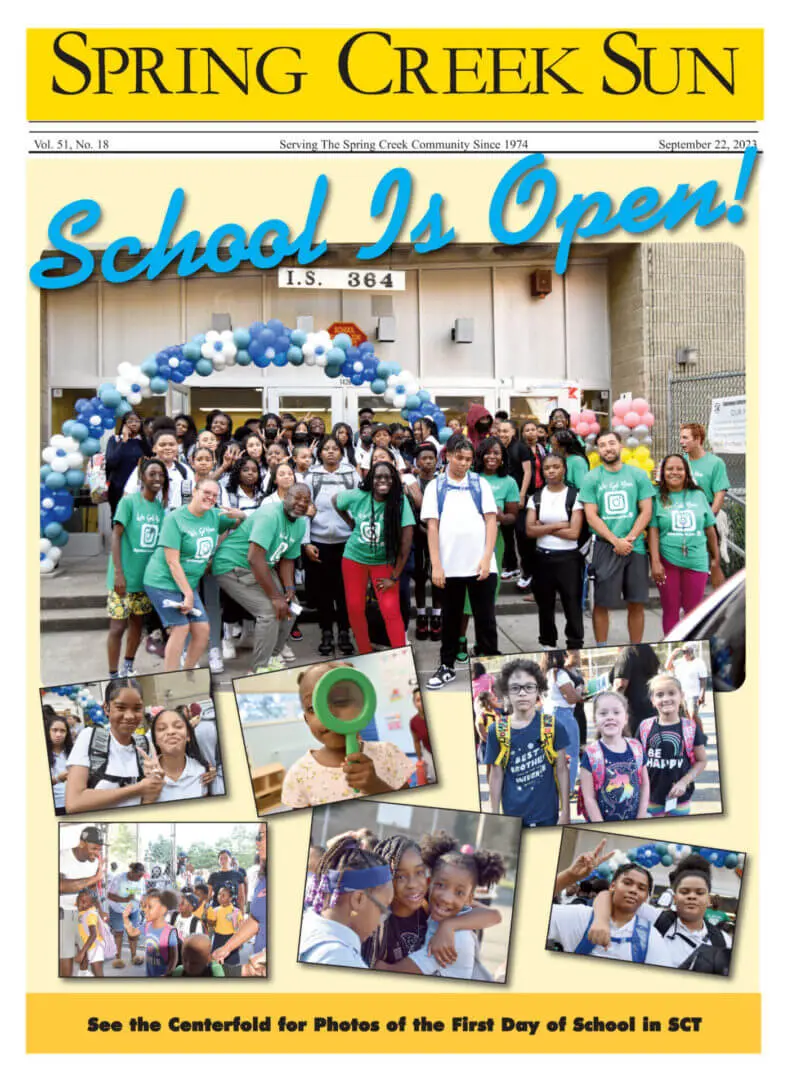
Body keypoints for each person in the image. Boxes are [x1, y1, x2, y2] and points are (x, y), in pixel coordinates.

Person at [422, 435, 499, 689]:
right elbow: (432, 526)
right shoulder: (436, 486)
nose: (464, 463)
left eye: (468, 459)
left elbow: (491, 521)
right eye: (459, 458)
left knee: (485, 619)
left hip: (480, 565)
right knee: (451, 619)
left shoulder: (480, 484)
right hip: (449, 566)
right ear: (448, 456)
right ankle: (447, 666)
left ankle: (488, 670)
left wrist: (487, 558)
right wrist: (437, 565)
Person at [142, 478, 243, 672]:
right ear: (195, 491)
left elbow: (240, 521)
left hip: (186, 583)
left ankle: (188, 674)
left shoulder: (214, 515)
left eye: (215, 495)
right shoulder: (175, 518)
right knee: (181, 628)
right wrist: (188, 594)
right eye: (206, 492)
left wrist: (242, 516)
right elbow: (172, 561)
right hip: (162, 582)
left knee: (203, 630)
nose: (211, 498)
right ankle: (169, 681)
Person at [281, 661, 414, 807]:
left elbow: (410, 810)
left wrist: (376, 787)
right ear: (306, 719)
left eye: (340, 701)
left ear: (363, 707)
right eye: (313, 708)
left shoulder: (388, 753)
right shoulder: (298, 775)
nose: (328, 714)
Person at [374, 832, 504, 980]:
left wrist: (450, 925)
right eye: (401, 876)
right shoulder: (384, 920)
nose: (447, 898)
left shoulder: (449, 929)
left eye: (419, 872)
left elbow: (495, 916)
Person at [210, 484, 310, 673]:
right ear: (285, 497)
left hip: (262, 566)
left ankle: (273, 655)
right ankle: (259, 668)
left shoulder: (300, 523)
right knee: (269, 612)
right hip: (232, 565)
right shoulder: (270, 515)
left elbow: (288, 558)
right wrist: (275, 597)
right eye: (297, 497)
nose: (301, 503)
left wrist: (289, 588)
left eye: (306, 500)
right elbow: (254, 557)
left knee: (293, 607)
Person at [590, 854, 732, 974]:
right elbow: (609, 896)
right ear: (675, 895)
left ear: (709, 899)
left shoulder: (723, 941)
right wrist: (601, 920)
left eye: (699, 892)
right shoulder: (657, 918)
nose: (692, 897)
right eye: (685, 891)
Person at [579, 430, 653, 644]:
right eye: (602, 445)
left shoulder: (638, 475)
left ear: (621, 446)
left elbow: (646, 511)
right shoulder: (592, 478)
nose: (607, 448)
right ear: (598, 450)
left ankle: (636, 648)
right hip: (605, 547)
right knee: (602, 604)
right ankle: (601, 646)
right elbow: (591, 516)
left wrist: (628, 539)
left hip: (635, 548)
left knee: (636, 603)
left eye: (612, 443)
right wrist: (615, 541)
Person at [333, 461, 414, 654]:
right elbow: (336, 500)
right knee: (354, 607)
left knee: (391, 610)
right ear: (371, 479)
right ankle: (364, 651)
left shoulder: (400, 502)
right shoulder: (359, 496)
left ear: (394, 480)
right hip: (354, 559)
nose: (383, 481)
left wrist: (394, 577)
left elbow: (405, 546)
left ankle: (400, 654)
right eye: (378, 476)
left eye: (388, 477)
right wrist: (350, 522)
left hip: (383, 562)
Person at [485, 658, 570, 828]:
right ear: (506, 692)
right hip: (513, 816)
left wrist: (566, 811)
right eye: (515, 688)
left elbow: (562, 769)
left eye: (529, 687)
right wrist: (494, 814)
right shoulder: (497, 730)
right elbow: (496, 775)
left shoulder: (552, 726)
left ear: (538, 690)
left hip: (547, 814)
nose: (522, 693)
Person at [106, 458, 167, 678]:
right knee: (117, 628)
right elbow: (116, 535)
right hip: (123, 578)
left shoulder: (159, 508)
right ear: (142, 477)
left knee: (136, 625)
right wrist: (119, 573)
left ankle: (128, 666)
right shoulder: (129, 502)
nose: (157, 478)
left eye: (161, 474)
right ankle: (113, 674)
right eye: (152, 474)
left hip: (145, 580)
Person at [548, 843, 660, 963]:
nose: (633, 890)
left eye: (641, 888)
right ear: (612, 886)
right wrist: (569, 876)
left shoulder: (651, 938)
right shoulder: (581, 917)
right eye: (627, 883)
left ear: (647, 897)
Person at [65, 679, 162, 812]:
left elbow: (148, 801)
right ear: (106, 708)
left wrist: (153, 787)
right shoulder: (90, 737)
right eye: (121, 707)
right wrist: (138, 788)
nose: (129, 716)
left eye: (137, 708)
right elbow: (74, 803)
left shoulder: (144, 744)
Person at [649, 454, 720, 634]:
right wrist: (655, 562)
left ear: (686, 473)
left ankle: (691, 647)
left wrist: (716, 559)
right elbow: (653, 531)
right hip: (667, 561)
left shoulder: (698, 495)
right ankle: (672, 645)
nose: (675, 472)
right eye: (670, 469)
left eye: (679, 469)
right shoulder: (656, 497)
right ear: (662, 473)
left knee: (693, 611)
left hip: (697, 561)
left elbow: (710, 530)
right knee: (671, 610)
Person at [299, 835, 394, 969]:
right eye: (382, 909)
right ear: (358, 899)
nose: (380, 922)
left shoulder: (305, 925)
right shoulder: (339, 958)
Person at [302, 435, 359, 656]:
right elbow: (304, 512)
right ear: (320, 453)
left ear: (342, 452)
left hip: (347, 543)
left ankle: (344, 632)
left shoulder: (351, 474)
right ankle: (326, 632)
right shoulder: (311, 477)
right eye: (326, 449)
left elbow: (359, 506)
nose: (331, 452)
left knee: (345, 592)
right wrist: (306, 542)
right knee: (324, 593)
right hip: (319, 544)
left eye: (335, 448)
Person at [526, 452, 586, 650]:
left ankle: (575, 643)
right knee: (545, 605)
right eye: (547, 468)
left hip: (569, 558)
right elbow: (529, 530)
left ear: (564, 469)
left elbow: (574, 532)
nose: (551, 471)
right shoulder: (536, 497)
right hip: (543, 558)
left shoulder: (574, 495)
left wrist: (544, 527)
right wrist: (560, 525)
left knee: (572, 604)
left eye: (556, 467)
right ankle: (548, 643)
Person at [637, 673, 707, 817]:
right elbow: (635, 761)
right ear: (652, 700)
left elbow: (702, 760)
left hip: (680, 799)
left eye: (671, 693)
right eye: (660, 695)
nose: (666, 699)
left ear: (681, 696)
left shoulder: (690, 728)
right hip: (650, 799)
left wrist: (684, 782)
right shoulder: (645, 727)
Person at [578, 690, 649, 821]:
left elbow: (644, 784)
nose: (610, 717)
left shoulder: (636, 748)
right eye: (603, 713)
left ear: (626, 718)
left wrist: (641, 816)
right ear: (595, 720)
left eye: (616, 712)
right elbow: (589, 798)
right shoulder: (591, 754)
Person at [212, 828, 267, 975]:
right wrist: (226, 948)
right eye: (257, 836)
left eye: (261, 836)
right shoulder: (263, 879)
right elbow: (256, 919)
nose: (257, 842)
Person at [59, 826, 103, 977]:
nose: (97, 853)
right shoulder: (62, 857)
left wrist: (100, 910)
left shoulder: (94, 862)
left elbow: (92, 889)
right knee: (67, 954)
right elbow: (59, 886)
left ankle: (84, 975)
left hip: (86, 911)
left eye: (99, 849)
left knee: (91, 949)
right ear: (82, 843)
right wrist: (93, 879)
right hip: (66, 911)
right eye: (94, 849)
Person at [148, 709, 216, 802]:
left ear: (188, 735)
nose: (171, 732)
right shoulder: (146, 775)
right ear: (155, 739)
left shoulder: (202, 772)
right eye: (162, 729)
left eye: (178, 726)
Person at [124, 421, 193, 509]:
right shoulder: (143, 469)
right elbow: (128, 496)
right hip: (150, 518)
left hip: (178, 519)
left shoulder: (184, 470)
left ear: (177, 447)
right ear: (154, 448)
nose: (167, 448)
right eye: (162, 445)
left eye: (171, 444)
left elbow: (194, 494)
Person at [497, 419, 534, 585]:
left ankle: (528, 573)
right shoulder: (498, 449)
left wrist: (522, 494)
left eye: (506, 431)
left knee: (521, 535)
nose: (502, 434)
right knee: (506, 534)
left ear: (513, 432)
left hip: (519, 498)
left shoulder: (521, 448)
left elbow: (528, 472)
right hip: (504, 499)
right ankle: (512, 567)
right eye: (500, 431)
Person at [543, 650, 585, 792]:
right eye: (564, 655)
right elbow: (571, 698)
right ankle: (568, 789)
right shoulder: (560, 674)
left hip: (547, 715)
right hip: (563, 714)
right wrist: (579, 691)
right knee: (572, 754)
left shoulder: (545, 674)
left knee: (553, 755)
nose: (566, 657)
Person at [123, 890, 180, 976]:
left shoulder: (170, 932)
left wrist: (167, 974)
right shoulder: (147, 926)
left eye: (149, 907)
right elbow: (132, 933)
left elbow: (174, 958)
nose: (145, 910)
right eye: (145, 906)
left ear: (162, 910)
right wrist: (125, 918)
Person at [680, 422, 730, 517]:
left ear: (698, 439)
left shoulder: (716, 463)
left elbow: (719, 496)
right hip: (683, 513)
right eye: (681, 438)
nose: (681, 441)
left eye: (685, 438)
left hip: (706, 512)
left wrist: (709, 520)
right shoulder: (680, 462)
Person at [105, 411, 149, 517]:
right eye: (130, 421)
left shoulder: (143, 441)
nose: (134, 424)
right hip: (118, 486)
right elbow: (111, 462)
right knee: (118, 517)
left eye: (137, 421)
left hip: (139, 487)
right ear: (124, 424)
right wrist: (124, 440)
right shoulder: (115, 440)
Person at [106, 862, 146, 968]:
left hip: (133, 910)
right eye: (138, 875)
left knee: (133, 934)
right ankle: (117, 958)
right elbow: (109, 895)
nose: (140, 878)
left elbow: (142, 895)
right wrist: (124, 899)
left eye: (142, 875)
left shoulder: (141, 880)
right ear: (132, 872)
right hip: (118, 910)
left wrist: (143, 902)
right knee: (118, 934)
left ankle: (134, 956)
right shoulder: (119, 879)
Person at [612, 644, 661, 728]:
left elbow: (620, 685)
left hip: (633, 712)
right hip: (652, 707)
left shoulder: (627, 652)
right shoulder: (649, 651)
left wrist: (612, 708)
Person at [667, 645, 709, 725]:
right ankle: (693, 734)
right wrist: (673, 654)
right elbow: (668, 667)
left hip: (694, 694)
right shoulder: (679, 662)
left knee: (693, 715)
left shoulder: (699, 662)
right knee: (687, 717)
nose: (685, 654)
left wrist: (702, 694)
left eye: (688, 651)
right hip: (682, 694)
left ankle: (701, 735)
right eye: (684, 652)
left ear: (692, 652)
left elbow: (703, 679)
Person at [206, 886, 243, 968]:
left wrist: (240, 942)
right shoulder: (215, 910)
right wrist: (208, 916)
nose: (220, 897)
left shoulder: (236, 911)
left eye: (223, 895)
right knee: (216, 961)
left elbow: (240, 927)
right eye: (219, 894)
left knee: (231, 962)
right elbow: (211, 925)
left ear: (230, 898)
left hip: (231, 938)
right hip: (218, 938)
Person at [46, 711, 72, 814]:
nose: (58, 734)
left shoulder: (71, 753)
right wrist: (58, 778)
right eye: (54, 730)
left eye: (62, 731)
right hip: (56, 805)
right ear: (48, 731)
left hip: (73, 803)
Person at [74, 890, 106, 977]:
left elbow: (93, 935)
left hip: (95, 947)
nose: (80, 903)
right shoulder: (83, 908)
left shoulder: (90, 914)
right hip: (87, 945)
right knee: (84, 964)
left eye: (84, 902)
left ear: (91, 904)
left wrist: (82, 952)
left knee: (97, 972)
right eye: (78, 900)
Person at [409, 687, 435, 782]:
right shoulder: (414, 722)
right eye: (418, 700)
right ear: (415, 704)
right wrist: (419, 759)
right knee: (433, 777)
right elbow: (416, 741)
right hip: (428, 752)